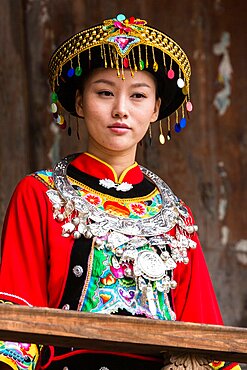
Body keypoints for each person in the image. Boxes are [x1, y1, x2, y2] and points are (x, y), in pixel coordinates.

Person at [0, 14, 240, 370]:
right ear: (80, 103)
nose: (121, 110)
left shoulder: (175, 216)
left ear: (156, 108)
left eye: (139, 95)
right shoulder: (39, 194)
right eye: (105, 93)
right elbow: (15, 324)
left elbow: (206, 339)